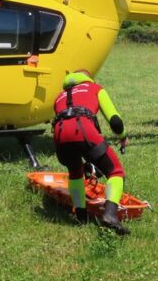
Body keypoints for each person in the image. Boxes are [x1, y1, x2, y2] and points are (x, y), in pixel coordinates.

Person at [52, 69, 129, 235]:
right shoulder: (94, 88)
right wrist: (122, 137)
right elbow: (115, 120)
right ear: (88, 78)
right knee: (116, 172)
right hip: (84, 130)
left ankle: (81, 216)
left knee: (75, 172)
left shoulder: (59, 97)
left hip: (59, 136)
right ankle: (110, 215)